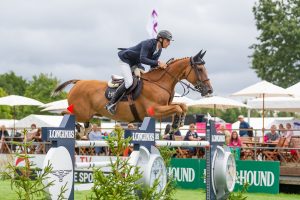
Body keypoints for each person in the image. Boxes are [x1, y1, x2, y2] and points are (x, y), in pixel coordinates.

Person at [105, 30, 173, 115]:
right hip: (126, 60)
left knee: (143, 79)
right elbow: (143, 59)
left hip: (136, 63)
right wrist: (158, 63)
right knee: (129, 82)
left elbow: (152, 66)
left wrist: (163, 68)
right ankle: (111, 103)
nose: (169, 43)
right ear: (160, 39)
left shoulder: (159, 50)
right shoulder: (148, 43)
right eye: (168, 40)